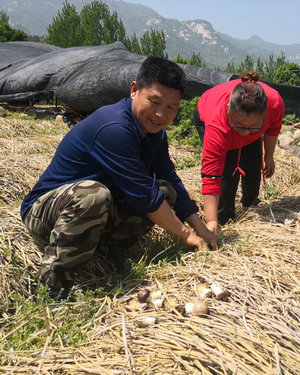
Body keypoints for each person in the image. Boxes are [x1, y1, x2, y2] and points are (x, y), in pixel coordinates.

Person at [21, 56, 217, 299]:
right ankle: (52, 290)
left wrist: (200, 227)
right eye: (154, 101)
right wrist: (187, 236)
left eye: (171, 107)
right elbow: (146, 197)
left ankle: (106, 252)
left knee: (166, 189)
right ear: (134, 89)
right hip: (46, 209)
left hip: (95, 209)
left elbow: (169, 177)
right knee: (93, 195)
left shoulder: (154, 131)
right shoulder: (114, 127)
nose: (160, 114)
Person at [194, 71, 285, 231]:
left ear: (264, 115)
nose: (245, 133)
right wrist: (211, 221)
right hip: (214, 118)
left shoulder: (275, 104)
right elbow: (211, 175)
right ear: (229, 110)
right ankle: (224, 217)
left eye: (252, 127)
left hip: (241, 123)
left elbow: (273, 129)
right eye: (240, 125)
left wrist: (269, 156)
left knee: (253, 165)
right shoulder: (217, 123)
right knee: (227, 171)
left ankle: (250, 205)